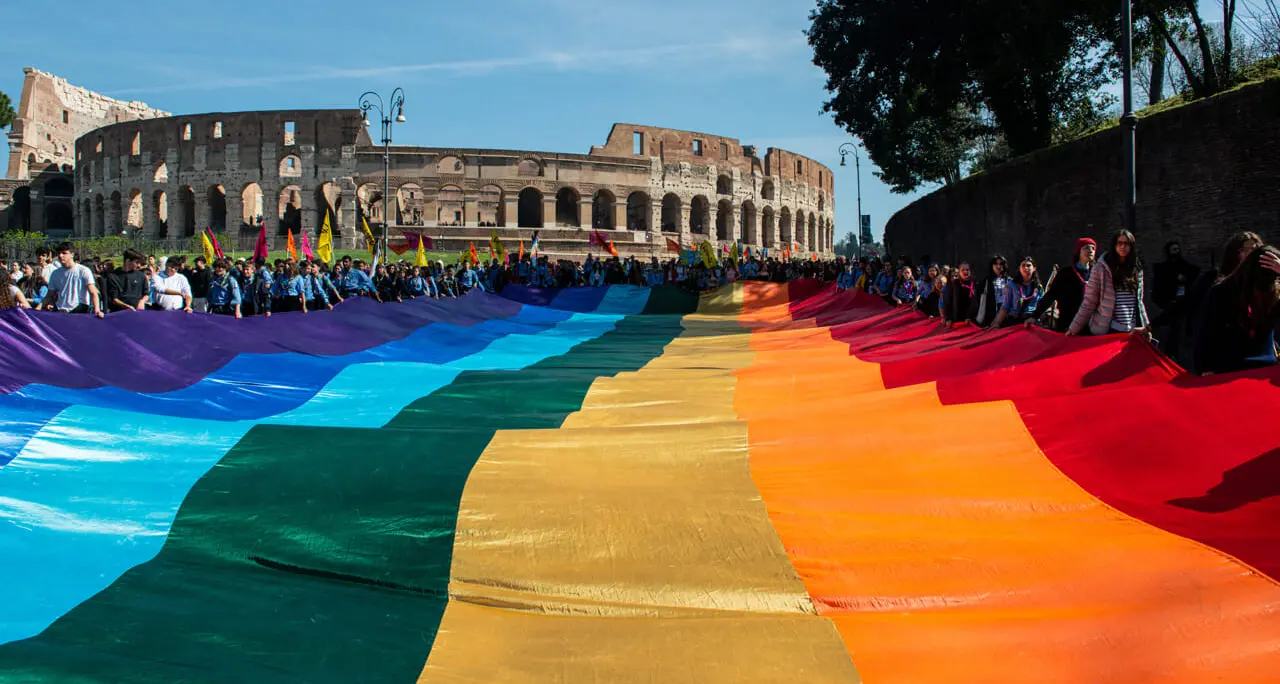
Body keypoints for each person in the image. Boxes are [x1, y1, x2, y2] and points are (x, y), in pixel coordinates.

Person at [1192, 246, 1280, 375]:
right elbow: (1205, 333)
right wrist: (1204, 368)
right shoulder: (1222, 292)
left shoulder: (1273, 293)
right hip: (1230, 368)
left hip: (1266, 367)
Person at [1068, 229, 1149, 339]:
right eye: (1119, 243)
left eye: (1127, 243)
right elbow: (1089, 302)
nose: (1123, 247)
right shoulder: (1101, 268)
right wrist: (1073, 328)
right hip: (1109, 329)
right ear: (1114, 245)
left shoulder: (1136, 268)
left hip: (1132, 329)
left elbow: (1139, 302)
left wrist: (1146, 327)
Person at [1029, 238, 1095, 332]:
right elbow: (1051, 294)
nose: (1091, 251)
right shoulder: (1066, 273)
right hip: (1068, 323)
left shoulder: (1096, 273)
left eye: (1093, 248)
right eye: (1087, 248)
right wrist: (1035, 316)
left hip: (1090, 324)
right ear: (1079, 251)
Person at [40, 242, 104, 317]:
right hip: (60, 311)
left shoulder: (83, 271)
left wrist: (97, 310)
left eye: (64, 253)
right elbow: (49, 295)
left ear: (72, 254)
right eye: (59, 253)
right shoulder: (55, 273)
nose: (60, 255)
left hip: (79, 311)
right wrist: (36, 309)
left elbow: (93, 293)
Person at [989, 257, 1043, 329]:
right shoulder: (1011, 285)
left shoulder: (1039, 287)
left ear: (1034, 268)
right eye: (1023, 265)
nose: (1026, 268)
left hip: (1031, 322)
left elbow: (1041, 306)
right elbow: (1005, 306)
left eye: (1028, 265)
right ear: (1019, 269)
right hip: (1015, 322)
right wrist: (997, 323)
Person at [972, 255, 1009, 327]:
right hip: (990, 317)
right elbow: (977, 300)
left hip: (1006, 316)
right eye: (996, 264)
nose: (998, 266)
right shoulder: (985, 281)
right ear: (992, 266)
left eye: (1001, 264)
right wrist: (971, 315)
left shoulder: (1010, 281)